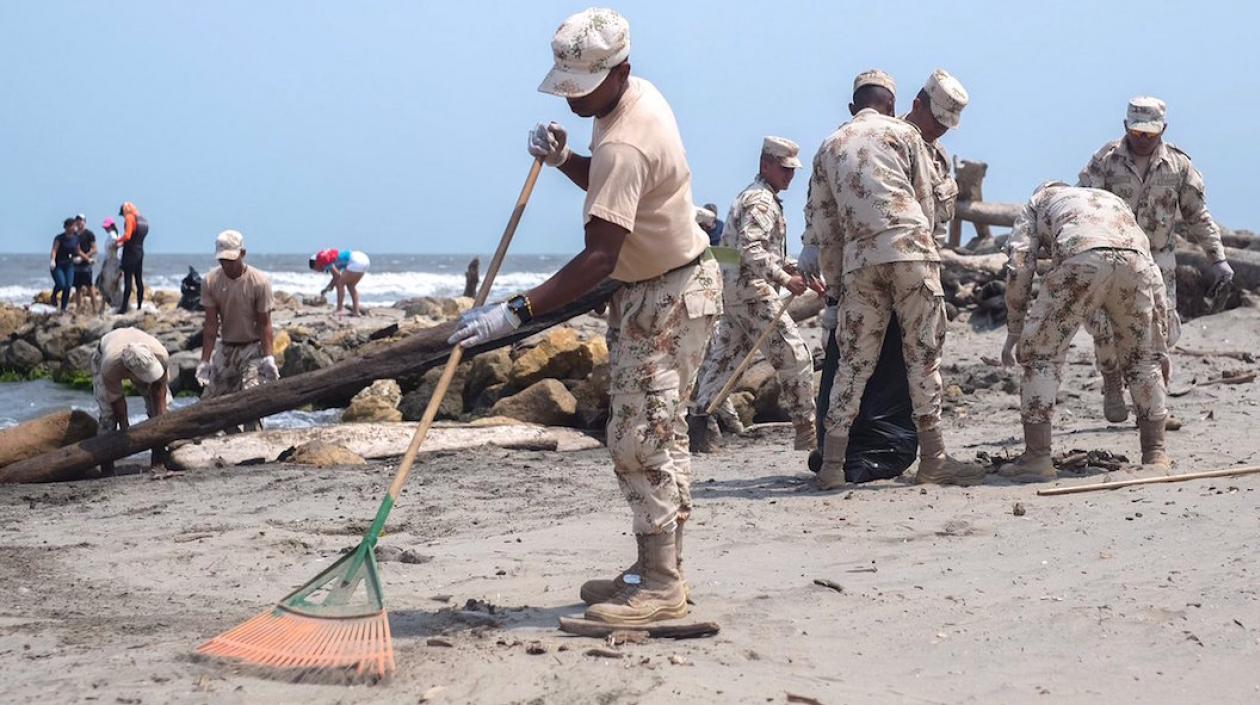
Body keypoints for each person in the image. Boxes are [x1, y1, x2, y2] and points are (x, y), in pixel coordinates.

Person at [448, 8, 720, 627]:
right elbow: (618, 196)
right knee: (664, 432)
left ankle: (660, 586)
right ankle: (657, 569)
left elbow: (600, 255)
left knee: (637, 437)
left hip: (665, 295)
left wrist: (513, 313)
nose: (570, 97)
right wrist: (571, 159)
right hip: (668, 283)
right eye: (565, 84)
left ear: (618, 70)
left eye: (581, 86)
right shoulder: (630, 101)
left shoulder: (625, 138)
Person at [799, 68, 984, 490]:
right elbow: (925, 204)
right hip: (910, 252)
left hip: (860, 263)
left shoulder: (829, 145)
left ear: (855, 105)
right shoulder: (906, 138)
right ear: (896, 105)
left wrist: (835, 289)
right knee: (922, 358)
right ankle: (934, 460)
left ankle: (831, 466)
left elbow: (825, 228)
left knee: (851, 364)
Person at [1078, 97, 1232, 428]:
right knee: (1105, 327)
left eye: (1150, 133)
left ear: (1163, 129)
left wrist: (1217, 258)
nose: (1143, 138)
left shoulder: (1178, 166)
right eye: (1137, 132)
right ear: (1125, 127)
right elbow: (1083, 207)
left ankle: (1155, 409)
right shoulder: (1105, 161)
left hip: (1157, 262)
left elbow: (1197, 216)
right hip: (1112, 258)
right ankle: (1111, 383)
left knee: (1159, 335)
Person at [1000, 182, 1170, 480]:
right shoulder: (1111, 200)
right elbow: (1151, 265)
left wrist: (1015, 329)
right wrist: (1162, 338)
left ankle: (1037, 459)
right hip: (1137, 264)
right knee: (1143, 361)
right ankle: (1155, 454)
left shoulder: (1038, 201)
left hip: (1082, 258)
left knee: (1041, 357)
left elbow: (1019, 264)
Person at [690, 136, 819, 452]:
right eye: (784, 169)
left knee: (723, 364)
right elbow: (751, 250)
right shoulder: (760, 201)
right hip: (754, 293)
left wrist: (799, 271)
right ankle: (807, 429)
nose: (790, 176)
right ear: (766, 165)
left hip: (737, 293)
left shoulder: (755, 196)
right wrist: (784, 278)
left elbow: (756, 250)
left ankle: (698, 425)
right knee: (796, 355)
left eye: (792, 170)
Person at [196, 230, 279, 432]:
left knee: (251, 402)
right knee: (211, 405)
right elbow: (210, 324)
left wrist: (269, 358)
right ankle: (230, 438)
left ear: (242, 253)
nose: (227, 265)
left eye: (231, 259)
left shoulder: (258, 282)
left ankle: (255, 444)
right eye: (222, 260)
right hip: (226, 347)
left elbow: (265, 323)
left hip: (252, 348)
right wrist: (205, 361)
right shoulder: (211, 281)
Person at [91, 327, 172, 475]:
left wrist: (161, 426)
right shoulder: (110, 367)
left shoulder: (161, 356)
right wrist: (125, 432)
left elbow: (159, 391)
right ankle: (106, 466)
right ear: (128, 372)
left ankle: (159, 458)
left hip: (144, 351)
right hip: (105, 353)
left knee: (163, 412)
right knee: (108, 416)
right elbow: (117, 400)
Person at [902, 70, 968, 242]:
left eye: (945, 125)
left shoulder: (940, 158)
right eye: (936, 121)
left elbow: (940, 220)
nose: (940, 130)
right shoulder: (889, 144)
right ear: (917, 105)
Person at [310, 248, 371, 316]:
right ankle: (356, 311)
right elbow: (336, 276)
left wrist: (329, 287)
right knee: (351, 286)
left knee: (340, 283)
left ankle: (339, 310)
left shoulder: (323, 260)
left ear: (316, 264)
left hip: (356, 261)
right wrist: (328, 288)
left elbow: (337, 276)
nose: (319, 271)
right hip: (364, 259)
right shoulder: (328, 258)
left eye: (316, 269)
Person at [116, 202, 149, 313]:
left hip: (130, 252)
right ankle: (139, 305)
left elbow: (128, 235)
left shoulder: (130, 218)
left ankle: (124, 308)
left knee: (128, 280)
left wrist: (118, 241)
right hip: (140, 251)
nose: (123, 216)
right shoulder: (142, 219)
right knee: (139, 279)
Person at [49, 217, 80, 312]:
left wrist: (83, 258)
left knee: (68, 286)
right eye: (73, 225)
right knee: (62, 285)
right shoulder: (59, 238)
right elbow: (54, 250)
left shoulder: (76, 237)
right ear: (68, 227)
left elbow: (78, 250)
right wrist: (52, 260)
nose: (75, 227)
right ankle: (54, 295)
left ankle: (63, 308)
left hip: (69, 265)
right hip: (58, 265)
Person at [71, 215, 100, 314]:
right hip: (76, 264)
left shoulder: (89, 234)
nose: (79, 223)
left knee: (89, 286)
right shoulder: (73, 234)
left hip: (86, 264)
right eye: (77, 221)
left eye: (81, 221)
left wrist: (84, 257)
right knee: (77, 288)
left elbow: (95, 249)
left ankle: (95, 308)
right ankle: (78, 309)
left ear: (84, 222)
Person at [97, 218, 124, 311]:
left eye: (107, 227)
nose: (105, 228)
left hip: (112, 263)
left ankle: (113, 305)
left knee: (105, 286)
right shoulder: (114, 235)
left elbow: (115, 247)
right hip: (113, 262)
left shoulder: (112, 236)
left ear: (111, 226)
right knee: (109, 286)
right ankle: (110, 306)